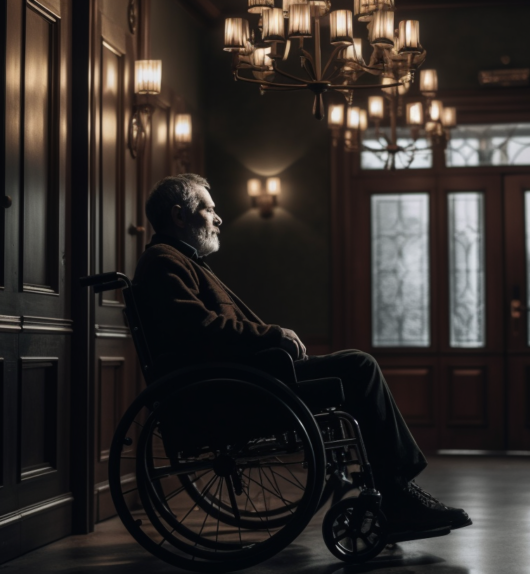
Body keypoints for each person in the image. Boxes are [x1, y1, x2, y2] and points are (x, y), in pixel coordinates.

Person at [133, 173, 471, 534]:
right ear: (179, 216)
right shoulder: (164, 262)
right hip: (229, 391)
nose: (218, 219)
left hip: (242, 380)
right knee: (359, 366)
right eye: (208, 209)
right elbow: (201, 330)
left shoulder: (183, 261)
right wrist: (274, 334)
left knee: (355, 367)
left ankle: (396, 490)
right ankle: (398, 494)